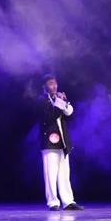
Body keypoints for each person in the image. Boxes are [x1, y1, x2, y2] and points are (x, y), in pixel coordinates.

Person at [36, 73, 83, 211]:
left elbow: (69, 114)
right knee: (50, 174)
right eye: (51, 83)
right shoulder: (41, 101)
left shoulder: (58, 99)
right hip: (49, 142)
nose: (54, 86)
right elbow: (49, 117)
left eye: (55, 83)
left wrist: (64, 101)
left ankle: (68, 201)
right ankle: (53, 202)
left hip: (63, 142)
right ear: (44, 86)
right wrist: (59, 103)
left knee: (64, 174)